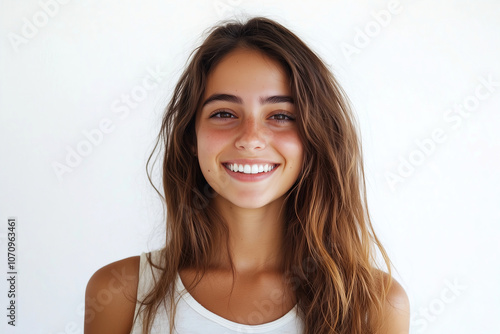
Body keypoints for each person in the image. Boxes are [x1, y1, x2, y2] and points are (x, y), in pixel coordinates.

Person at [84, 17, 410, 334]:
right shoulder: (120, 293)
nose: (251, 138)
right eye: (224, 113)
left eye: (281, 115)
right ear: (190, 138)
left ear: (315, 138)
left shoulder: (377, 305)